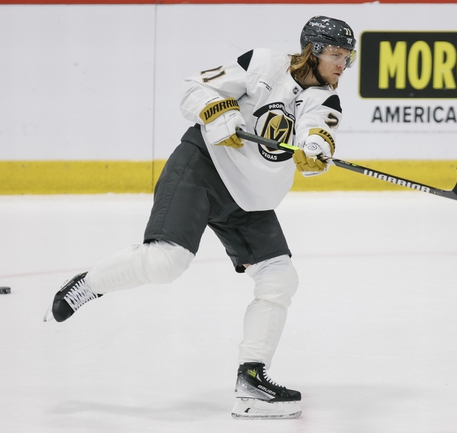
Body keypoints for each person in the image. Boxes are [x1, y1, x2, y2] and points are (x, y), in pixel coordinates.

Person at [44, 15, 356, 420]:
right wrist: (217, 111)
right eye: (335, 55)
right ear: (312, 51)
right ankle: (88, 285)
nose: (341, 66)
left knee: (280, 278)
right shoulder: (262, 63)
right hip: (202, 168)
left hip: (250, 199)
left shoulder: (326, 97)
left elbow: (319, 129)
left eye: (347, 59)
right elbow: (195, 87)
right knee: (166, 262)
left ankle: (251, 381)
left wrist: (315, 148)